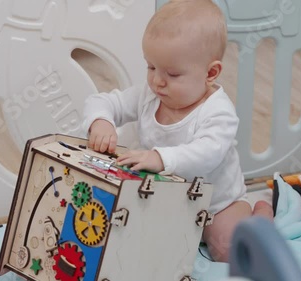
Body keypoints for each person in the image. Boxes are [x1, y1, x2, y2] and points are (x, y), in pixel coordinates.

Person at [82, 0, 273, 262]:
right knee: (133, 242)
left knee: (229, 251)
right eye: (151, 67)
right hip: (166, 200)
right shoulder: (149, 95)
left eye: (172, 73)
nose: (157, 80)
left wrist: (161, 158)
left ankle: (262, 213)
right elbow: (103, 101)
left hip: (217, 205)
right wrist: (101, 121)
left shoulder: (219, 112)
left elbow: (206, 154)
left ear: (211, 73)